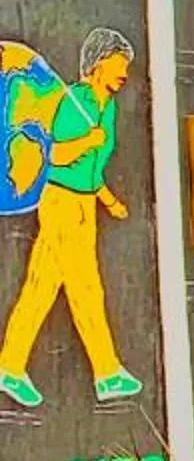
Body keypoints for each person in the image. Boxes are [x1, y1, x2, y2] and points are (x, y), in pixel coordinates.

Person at [0, 29, 141, 410]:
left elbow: (93, 172)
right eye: (118, 64)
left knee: (41, 288)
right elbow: (55, 156)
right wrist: (85, 142)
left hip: (84, 204)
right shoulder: (74, 101)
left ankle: (10, 366)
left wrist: (110, 201)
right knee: (85, 287)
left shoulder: (107, 108)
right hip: (61, 201)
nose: (124, 73)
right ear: (98, 64)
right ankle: (107, 373)